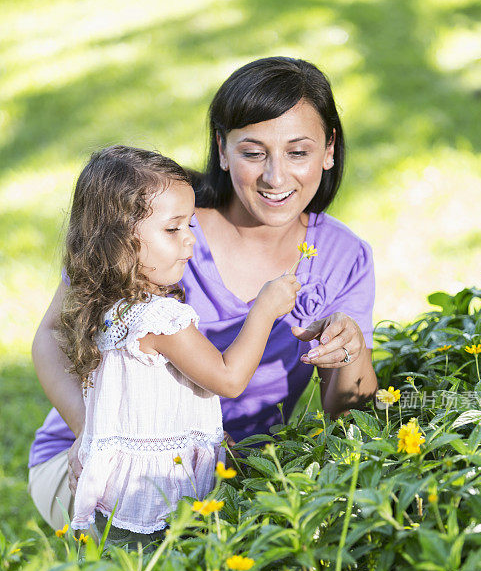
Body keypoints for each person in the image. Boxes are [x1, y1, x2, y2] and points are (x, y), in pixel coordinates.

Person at [29, 56, 378, 533]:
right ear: (221, 147)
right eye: (253, 153)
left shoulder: (344, 256)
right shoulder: (159, 229)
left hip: (224, 477)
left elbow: (348, 411)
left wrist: (352, 348)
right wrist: (93, 431)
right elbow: (51, 334)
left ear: (328, 150)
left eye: (298, 152)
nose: (277, 178)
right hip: (106, 457)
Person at [55, 145, 300, 546]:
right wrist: (265, 309)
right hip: (158, 503)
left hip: (121, 498)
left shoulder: (107, 308)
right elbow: (229, 378)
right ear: (119, 241)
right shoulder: (158, 319)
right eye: (173, 229)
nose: (190, 241)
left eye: (190, 226)